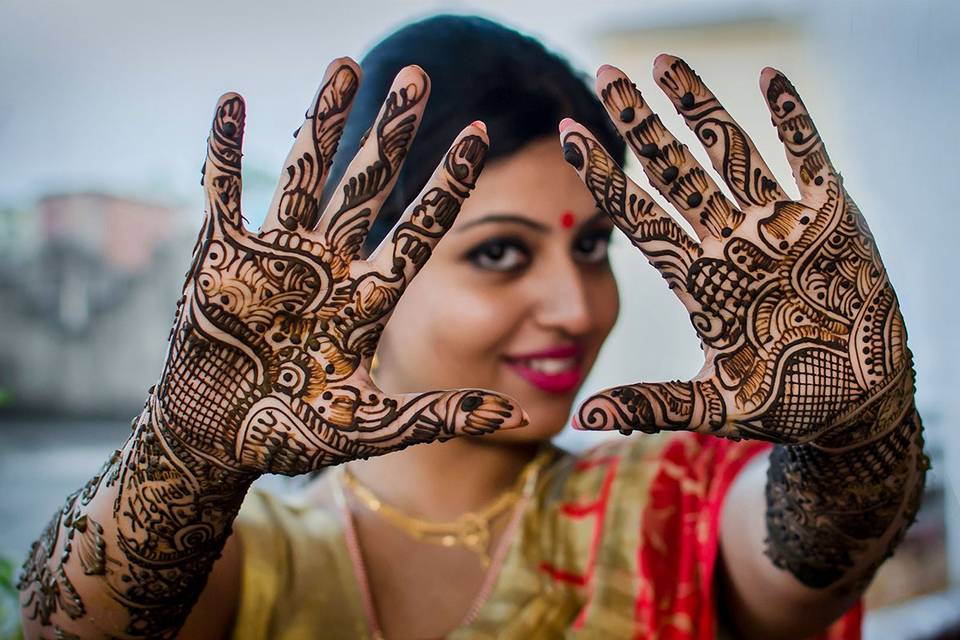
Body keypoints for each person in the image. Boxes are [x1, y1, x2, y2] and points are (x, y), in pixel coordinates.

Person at [18, 15, 926, 640]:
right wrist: (185, 451)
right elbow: (65, 625)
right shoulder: (249, 556)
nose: (576, 308)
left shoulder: (675, 501)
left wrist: (860, 436)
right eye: (500, 253)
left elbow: (817, 550)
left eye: (593, 247)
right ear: (364, 274)